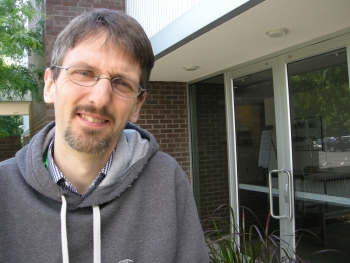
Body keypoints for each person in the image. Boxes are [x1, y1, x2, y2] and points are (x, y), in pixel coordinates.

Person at [0, 9, 209, 263]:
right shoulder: (4, 190)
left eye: (122, 83)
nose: (99, 99)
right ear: (50, 85)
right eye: (83, 73)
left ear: (137, 105)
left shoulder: (167, 181)